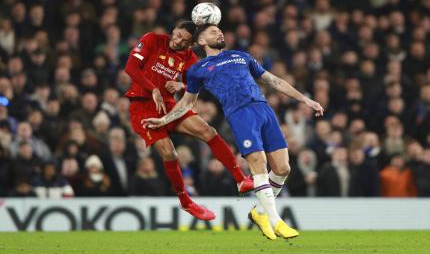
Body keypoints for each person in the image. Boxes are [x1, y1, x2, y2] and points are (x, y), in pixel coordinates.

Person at [141, 24, 324, 240]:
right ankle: (276, 220)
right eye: (212, 31)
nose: (219, 33)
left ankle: (260, 212)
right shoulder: (198, 70)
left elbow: (273, 80)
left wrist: (304, 99)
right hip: (239, 114)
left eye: (219, 30)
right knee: (258, 163)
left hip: (264, 109)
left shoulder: (241, 56)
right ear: (201, 41)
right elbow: (187, 103)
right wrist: (163, 119)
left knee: (283, 168)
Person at [124, 21, 253, 220]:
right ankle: (185, 201)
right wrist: (154, 89)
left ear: (191, 44)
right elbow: (131, 67)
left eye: (183, 40)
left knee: (208, 131)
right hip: (142, 105)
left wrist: (181, 84)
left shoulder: (189, 58)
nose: (177, 41)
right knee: (170, 152)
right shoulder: (152, 39)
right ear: (173, 30)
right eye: (176, 35)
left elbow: (198, 83)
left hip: (168, 105)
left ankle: (240, 179)